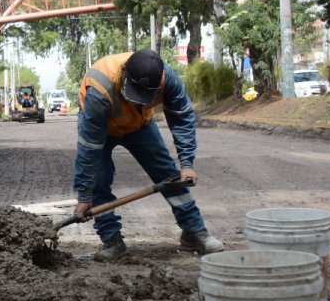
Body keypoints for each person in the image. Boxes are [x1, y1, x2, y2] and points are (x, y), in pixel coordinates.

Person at [72, 49, 224, 261]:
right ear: (124, 74)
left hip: (140, 126)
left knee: (168, 174)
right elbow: (90, 147)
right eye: (135, 96)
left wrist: (187, 163)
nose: (139, 103)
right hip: (102, 128)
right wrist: (84, 196)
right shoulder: (100, 89)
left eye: (145, 98)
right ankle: (112, 240)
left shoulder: (166, 79)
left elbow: (182, 118)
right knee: (98, 178)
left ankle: (193, 232)